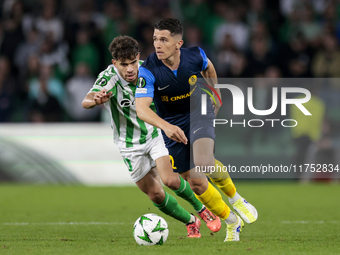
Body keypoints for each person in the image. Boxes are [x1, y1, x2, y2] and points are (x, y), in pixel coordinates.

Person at [82, 35, 221, 238]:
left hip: (156, 132)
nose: (129, 69)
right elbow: (86, 101)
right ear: (114, 63)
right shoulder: (109, 77)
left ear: (138, 57)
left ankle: (202, 209)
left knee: (170, 180)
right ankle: (191, 221)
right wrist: (96, 99)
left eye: (132, 63)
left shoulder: (149, 70)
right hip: (128, 143)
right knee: (155, 194)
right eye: (123, 65)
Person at [135, 18, 258, 242]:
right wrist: (166, 126)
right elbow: (141, 109)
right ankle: (232, 222)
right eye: (155, 39)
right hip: (171, 123)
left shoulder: (195, 55)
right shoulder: (149, 70)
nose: (157, 45)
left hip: (199, 109)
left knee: (203, 161)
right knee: (196, 183)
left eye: (163, 39)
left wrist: (216, 93)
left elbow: (208, 67)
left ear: (178, 43)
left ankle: (236, 198)